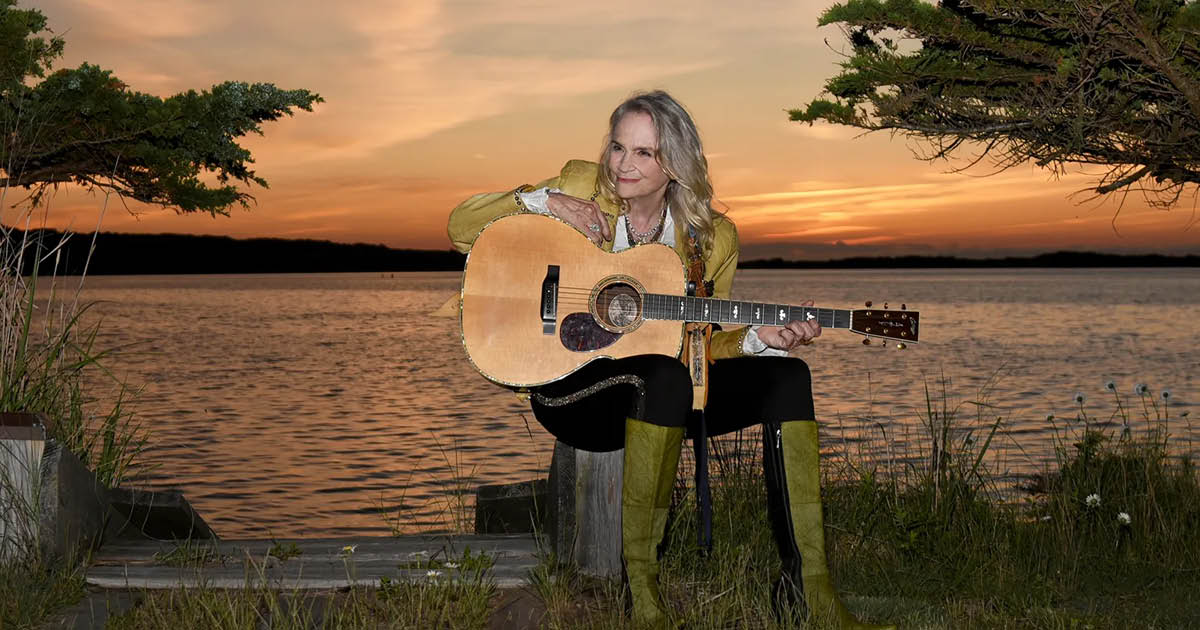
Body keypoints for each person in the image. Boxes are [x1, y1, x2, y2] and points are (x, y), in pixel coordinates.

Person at [447, 90, 894, 630]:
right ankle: (644, 593)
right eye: (618, 148)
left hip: (662, 399)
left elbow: (703, 349)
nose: (623, 165)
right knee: (661, 374)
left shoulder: (711, 240)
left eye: (645, 153)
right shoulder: (579, 185)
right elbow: (459, 226)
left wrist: (757, 341)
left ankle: (808, 590)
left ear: (676, 165)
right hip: (567, 389)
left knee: (785, 376)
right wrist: (544, 202)